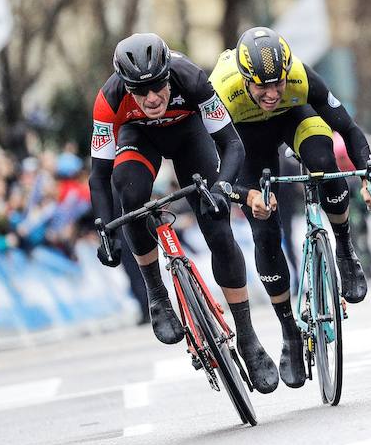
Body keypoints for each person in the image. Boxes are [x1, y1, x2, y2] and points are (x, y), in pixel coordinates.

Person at [89, 33, 279, 393]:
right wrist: (104, 229)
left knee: (218, 228)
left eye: (158, 87)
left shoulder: (191, 77)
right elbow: (98, 176)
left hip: (189, 134)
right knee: (129, 193)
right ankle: (156, 293)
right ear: (125, 87)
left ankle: (248, 336)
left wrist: (222, 187)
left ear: (167, 75)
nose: (152, 98)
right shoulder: (109, 100)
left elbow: (231, 143)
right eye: (140, 92)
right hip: (138, 137)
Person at [208, 27, 371, 387]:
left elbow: (349, 130)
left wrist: (369, 181)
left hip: (296, 120)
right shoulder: (220, 91)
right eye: (262, 86)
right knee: (266, 232)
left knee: (324, 163)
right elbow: (215, 170)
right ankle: (289, 331)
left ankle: (344, 248)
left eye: (279, 83)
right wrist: (247, 197)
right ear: (244, 79)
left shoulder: (302, 78)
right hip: (245, 141)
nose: (272, 93)